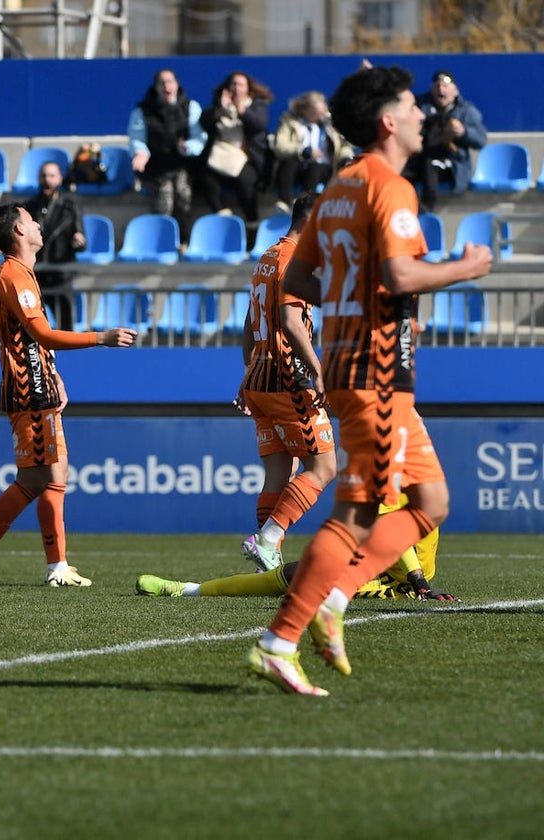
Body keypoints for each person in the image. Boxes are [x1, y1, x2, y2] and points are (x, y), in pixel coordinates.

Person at [245, 64, 492, 696]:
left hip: (361, 367)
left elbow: (299, 284)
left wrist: (351, 296)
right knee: (356, 513)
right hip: (376, 370)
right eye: (413, 107)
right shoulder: (390, 186)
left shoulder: (335, 191)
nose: (422, 116)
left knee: (431, 503)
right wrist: (465, 267)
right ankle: (281, 637)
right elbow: (403, 277)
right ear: (388, 121)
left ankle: (335, 600)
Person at [0, 204, 137, 588]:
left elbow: (31, 341)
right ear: (20, 230)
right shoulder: (13, 277)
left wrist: (54, 374)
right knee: (36, 478)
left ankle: (55, 566)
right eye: (32, 220)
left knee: (53, 476)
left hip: (38, 384)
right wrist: (100, 338)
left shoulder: (16, 273)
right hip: (29, 390)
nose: (39, 224)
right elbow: (42, 334)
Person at [233, 192, 336, 573]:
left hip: (259, 379)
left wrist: (247, 375)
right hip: (286, 379)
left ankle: (267, 563)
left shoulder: (266, 258)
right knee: (324, 468)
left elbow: (248, 324)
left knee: (279, 472)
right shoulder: (293, 260)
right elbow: (292, 323)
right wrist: (318, 369)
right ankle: (269, 538)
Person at [136, 496, 453, 601]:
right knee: (295, 573)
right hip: (385, 567)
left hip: (396, 583)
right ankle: (186, 589)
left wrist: (419, 583)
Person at [128, 68, 207, 246]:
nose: (166, 86)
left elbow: (199, 137)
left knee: (183, 193)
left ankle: (184, 241)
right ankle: (163, 242)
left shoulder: (190, 107)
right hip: (155, 166)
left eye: (170, 81)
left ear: (176, 84)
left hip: (182, 163)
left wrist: (187, 147)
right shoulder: (143, 110)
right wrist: (140, 153)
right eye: (162, 83)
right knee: (164, 196)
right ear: (156, 87)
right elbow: (137, 137)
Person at [404, 70, 487, 212]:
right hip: (420, 159)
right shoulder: (420, 106)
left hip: (451, 163)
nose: (441, 90)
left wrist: (463, 132)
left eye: (445, 87)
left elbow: (480, 139)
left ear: (455, 91)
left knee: (431, 165)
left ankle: (426, 211)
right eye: (437, 86)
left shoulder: (465, 111)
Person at [198, 70, 274, 223]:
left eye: (240, 85)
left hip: (247, 158)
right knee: (206, 178)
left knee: (246, 182)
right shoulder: (218, 105)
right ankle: (223, 215)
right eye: (233, 84)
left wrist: (242, 111)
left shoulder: (256, 105)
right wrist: (221, 108)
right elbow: (204, 122)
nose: (236, 88)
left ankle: (252, 222)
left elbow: (259, 125)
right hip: (220, 157)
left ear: (248, 88)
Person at [23, 160, 86, 330]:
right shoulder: (30, 206)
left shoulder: (70, 206)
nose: (47, 180)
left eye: (51, 176)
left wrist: (78, 241)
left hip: (61, 274)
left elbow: (80, 237)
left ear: (59, 179)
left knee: (66, 326)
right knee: (34, 327)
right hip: (37, 274)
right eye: (44, 176)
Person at [271, 91, 353, 214]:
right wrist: (304, 151)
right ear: (305, 110)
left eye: (321, 112)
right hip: (299, 163)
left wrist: (346, 158)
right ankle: (284, 202)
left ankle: (304, 204)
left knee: (316, 168)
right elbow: (280, 145)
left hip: (323, 167)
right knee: (288, 163)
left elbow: (343, 145)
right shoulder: (290, 122)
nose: (319, 116)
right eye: (315, 112)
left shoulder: (331, 125)